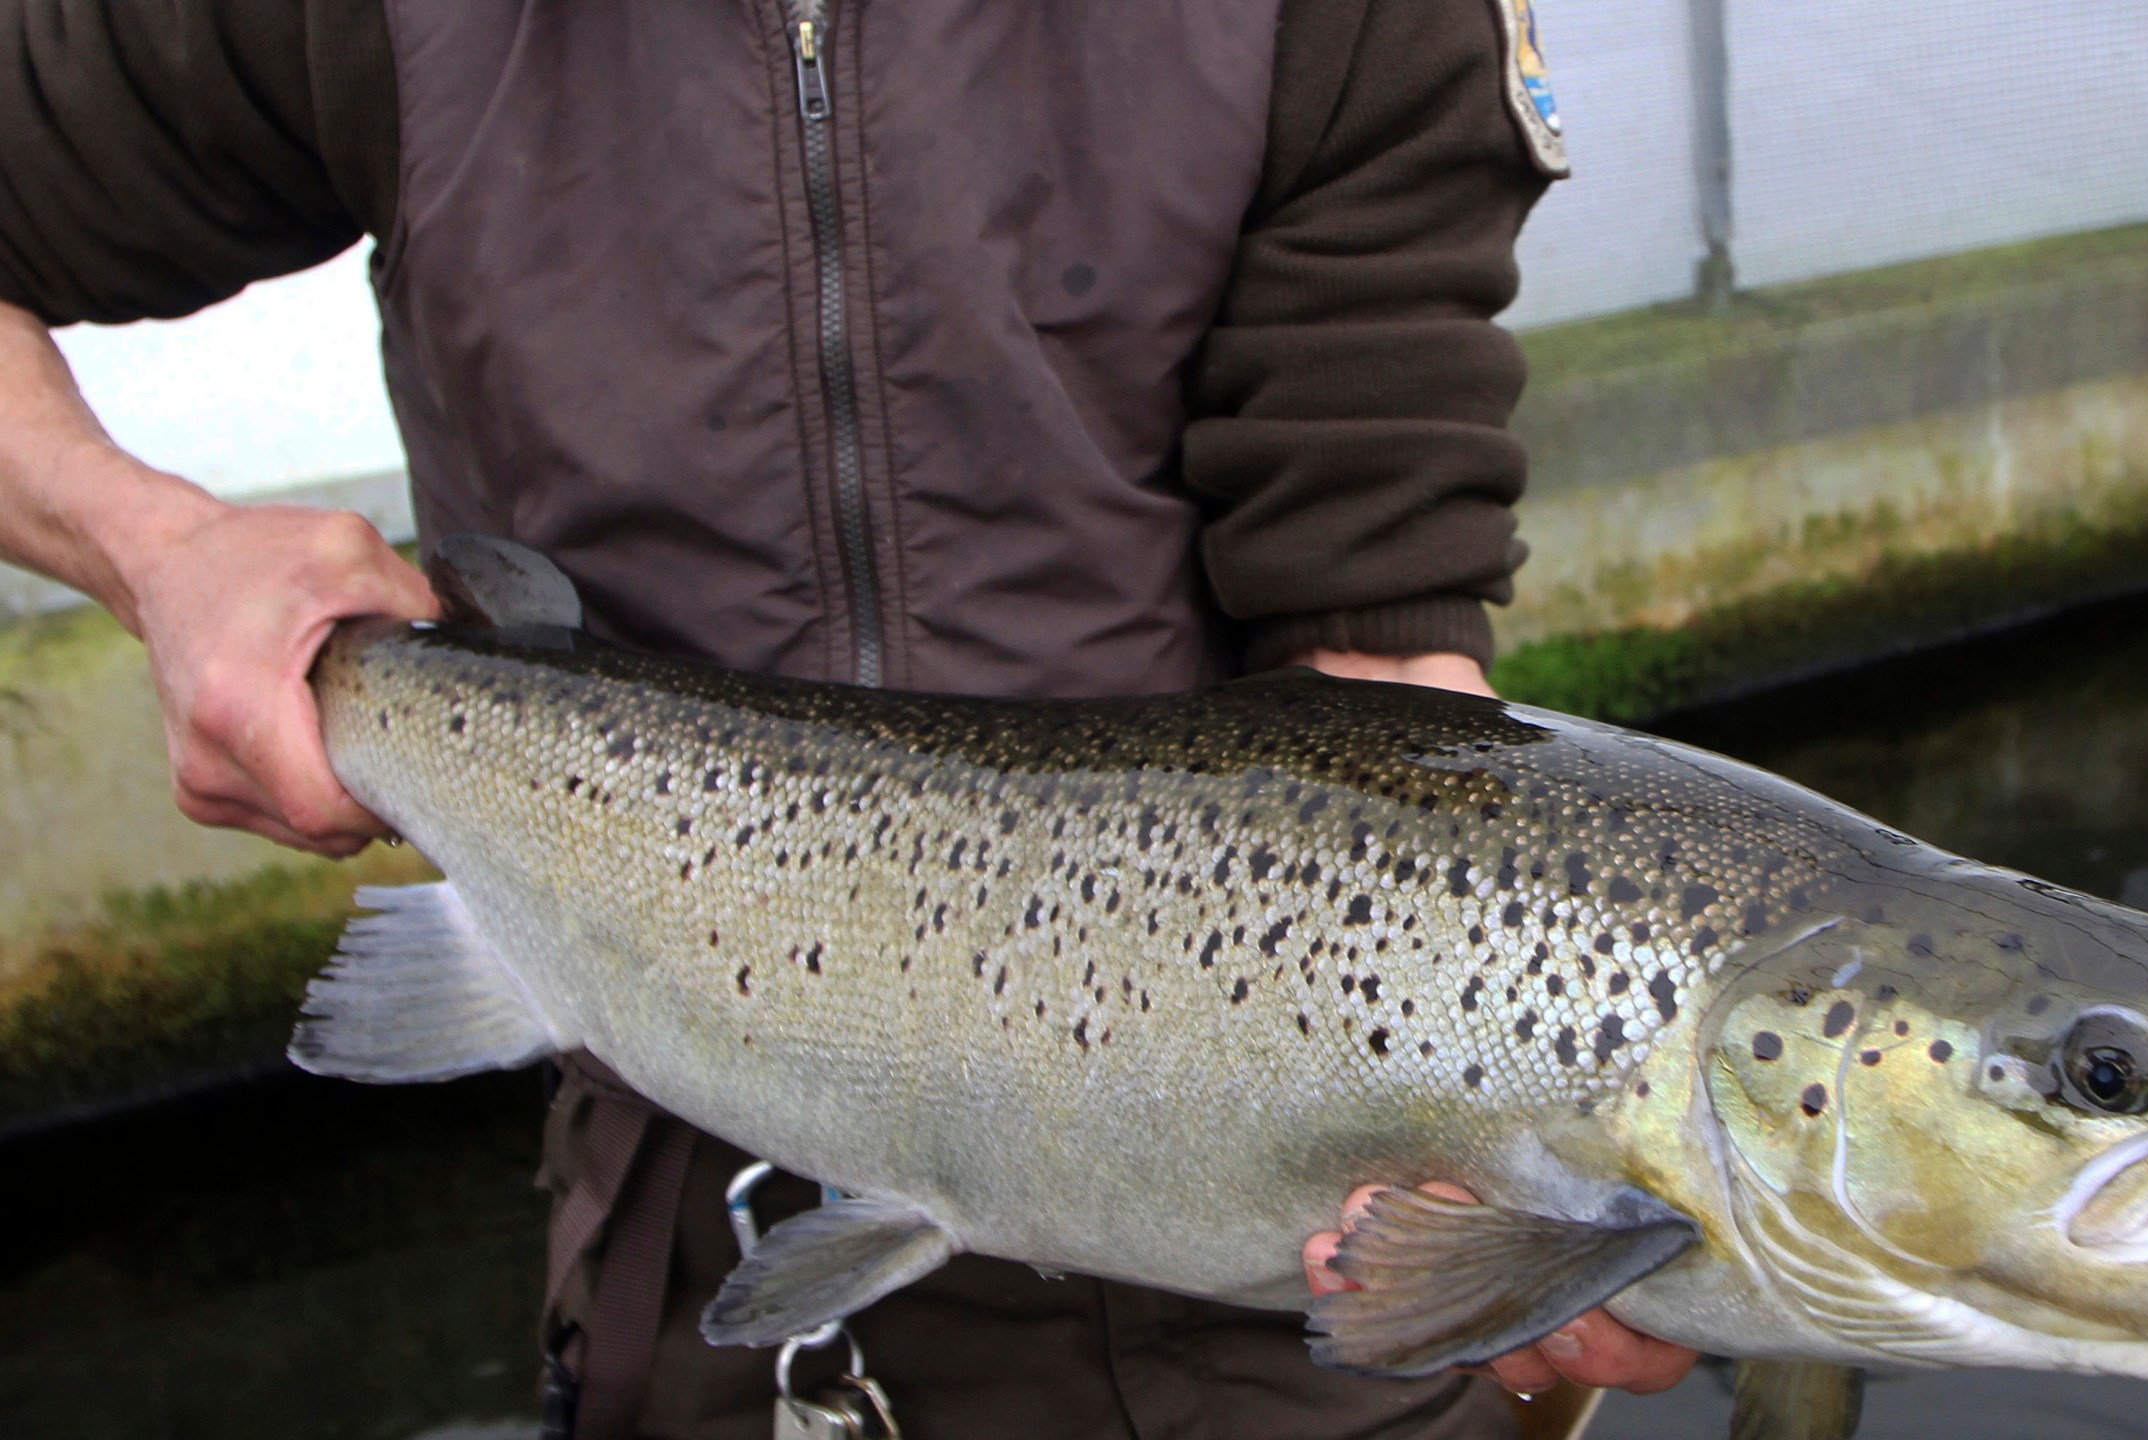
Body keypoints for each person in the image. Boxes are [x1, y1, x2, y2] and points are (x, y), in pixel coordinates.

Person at [0, 0, 1697, 1434]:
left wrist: (1522, 1185)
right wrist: (152, 551)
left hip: (1289, 1324)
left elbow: (1385, 675)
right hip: (701, 1256)